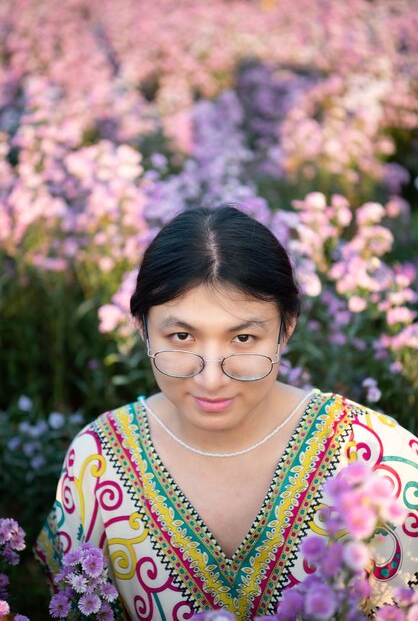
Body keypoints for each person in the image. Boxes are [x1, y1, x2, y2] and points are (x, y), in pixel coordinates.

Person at [35, 205, 418, 620]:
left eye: (243, 337)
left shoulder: (374, 457)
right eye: (181, 336)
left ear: (285, 329)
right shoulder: (98, 460)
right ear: (143, 329)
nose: (212, 378)